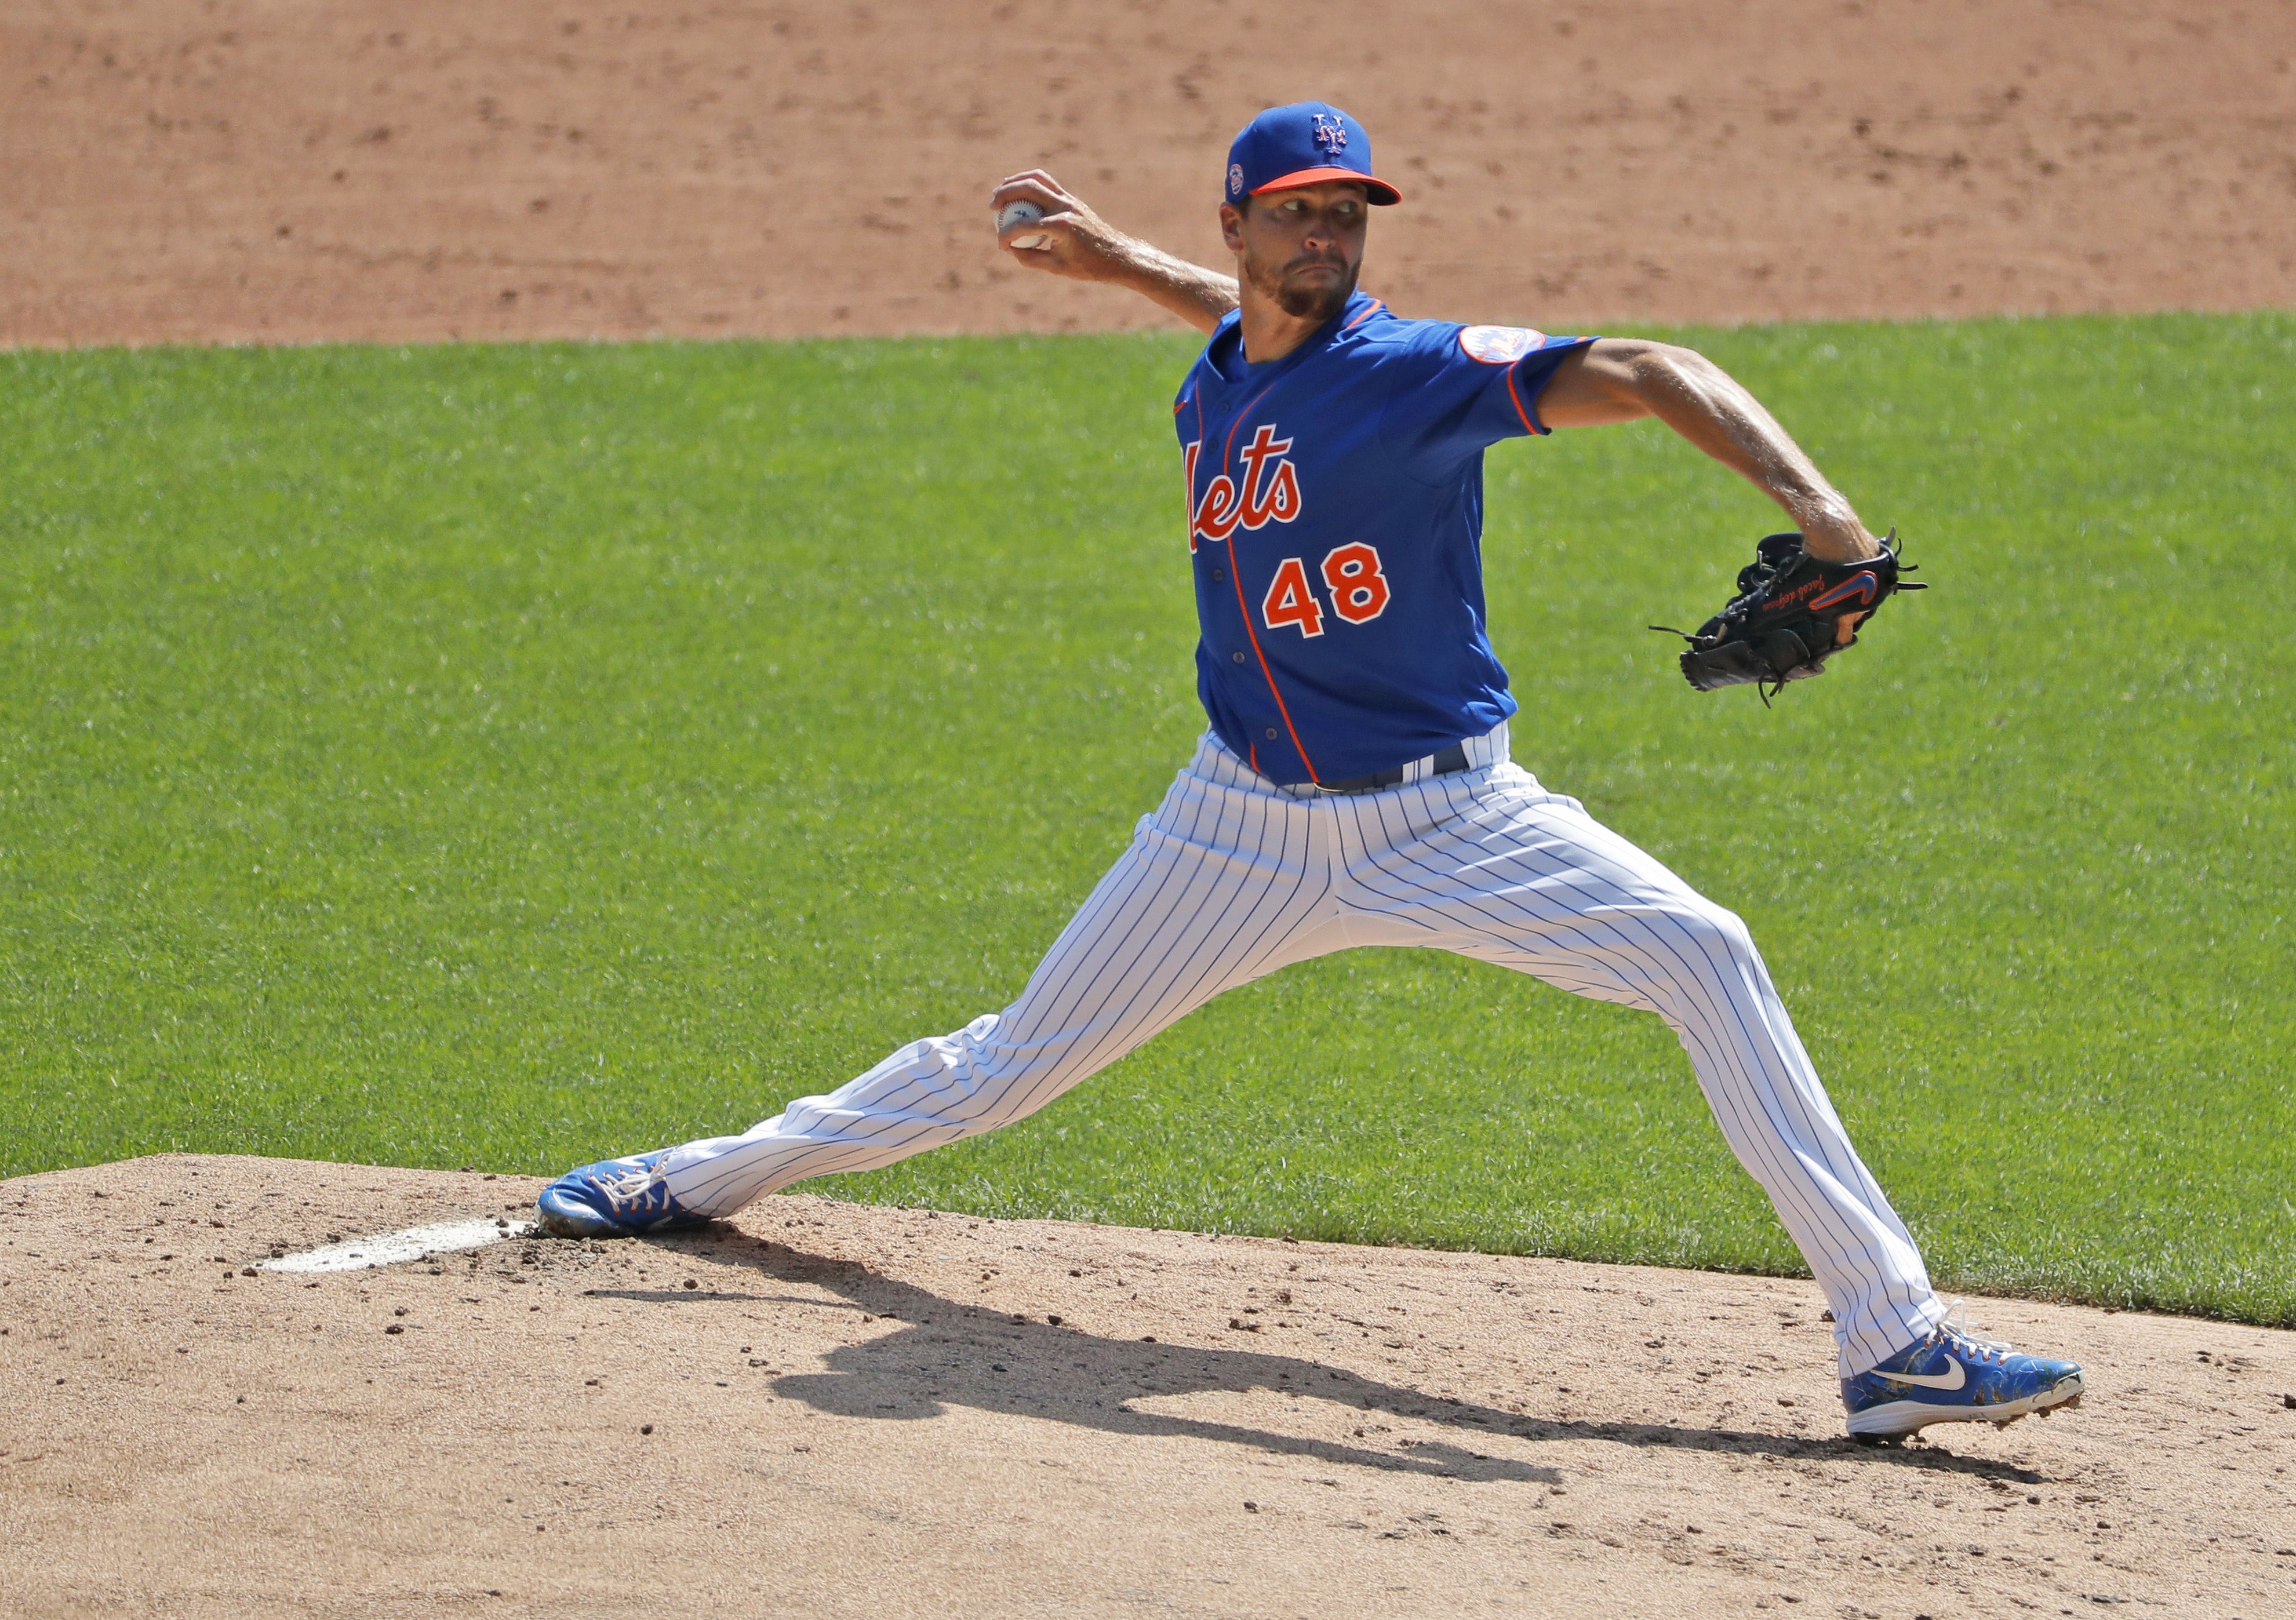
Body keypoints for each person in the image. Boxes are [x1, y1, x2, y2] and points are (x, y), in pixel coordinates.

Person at [536, 103, 2085, 1439]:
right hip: (1235, 827)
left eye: (1346, 212)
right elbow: (1239, 329)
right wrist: (1115, 261)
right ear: (1241, 225)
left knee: (1707, 954)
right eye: (1296, 213)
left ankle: (1894, 1342)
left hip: (1452, 815)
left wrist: (1822, 519)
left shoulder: (1417, 372)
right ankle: (693, 1177)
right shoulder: (1222, 365)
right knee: (1001, 1067)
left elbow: (1650, 362)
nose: (1325, 236)